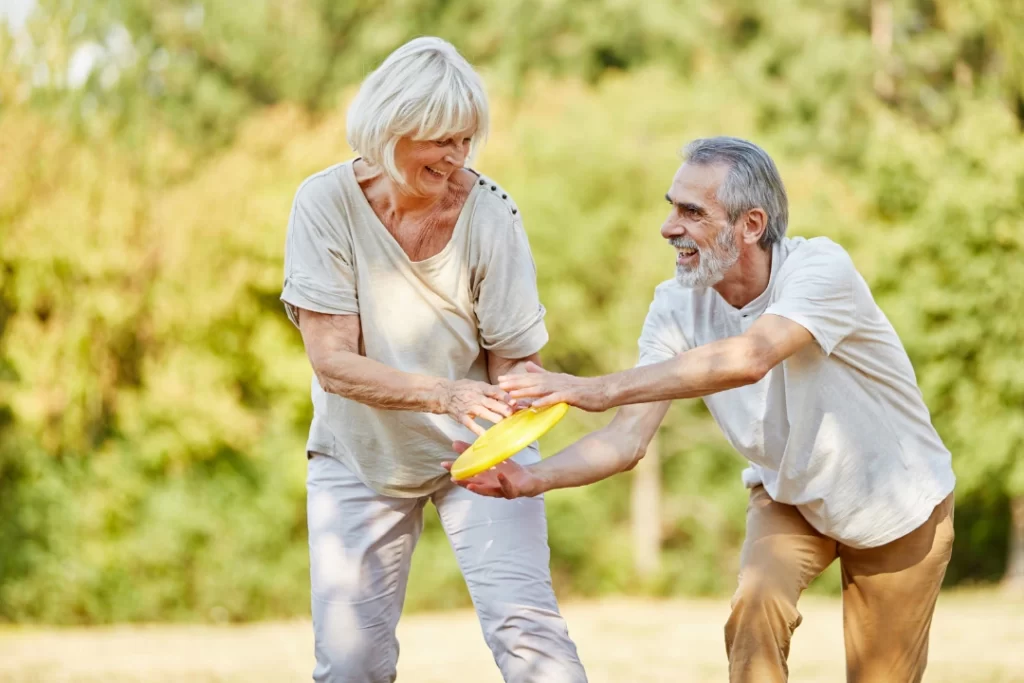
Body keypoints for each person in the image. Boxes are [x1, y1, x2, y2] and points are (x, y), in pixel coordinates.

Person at [447, 137, 956, 683]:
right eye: (672, 207)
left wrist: (593, 388)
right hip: (790, 494)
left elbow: (753, 356)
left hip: (897, 501)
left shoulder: (820, 270)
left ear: (751, 224)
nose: (669, 227)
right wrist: (531, 479)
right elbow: (626, 441)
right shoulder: (675, 307)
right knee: (755, 609)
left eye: (691, 212)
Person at [281, 37, 586, 683]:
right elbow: (332, 361)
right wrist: (443, 394)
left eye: (467, 140)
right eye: (441, 140)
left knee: (527, 630)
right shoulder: (324, 204)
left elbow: (516, 364)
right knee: (350, 664)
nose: (457, 158)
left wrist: (519, 402)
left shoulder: (491, 213)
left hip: (480, 447)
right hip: (358, 452)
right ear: (390, 129)